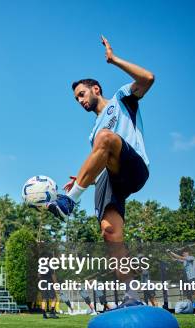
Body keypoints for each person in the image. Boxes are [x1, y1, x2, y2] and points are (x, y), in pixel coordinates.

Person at [47, 36, 154, 307]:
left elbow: (148, 78)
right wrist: (87, 177)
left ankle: (70, 201)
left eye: (81, 94)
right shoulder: (92, 132)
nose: (80, 101)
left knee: (105, 138)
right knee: (110, 233)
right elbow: (100, 160)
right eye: (76, 100)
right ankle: (132, 297)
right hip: (110, 176)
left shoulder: (121, 99)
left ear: (95, 89)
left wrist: (114, 59)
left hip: (134, 166)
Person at [167, 248, 195, 316]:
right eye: (183, 253)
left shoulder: (191, 257)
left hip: (194, 278)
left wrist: (171, 251)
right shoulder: (184, 261)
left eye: (184, 252)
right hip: (190, 279)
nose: (183, 254)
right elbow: (174, 259)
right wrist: (169, 253)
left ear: (188, 253)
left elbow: (180, 257)